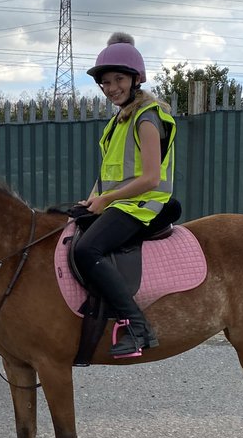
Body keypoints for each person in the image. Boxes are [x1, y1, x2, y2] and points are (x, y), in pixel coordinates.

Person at [72, 32, 177, 358]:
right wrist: (91, 199)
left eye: (118, 79)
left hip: (144, 204)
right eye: (105, 82)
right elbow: (109, 175)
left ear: (135, 79)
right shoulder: (117, 122)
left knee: (87, 250)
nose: (111, 87)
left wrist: (107, 200)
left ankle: (137, 326)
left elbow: (150, 177)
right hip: (121, 202)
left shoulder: (147, 117)